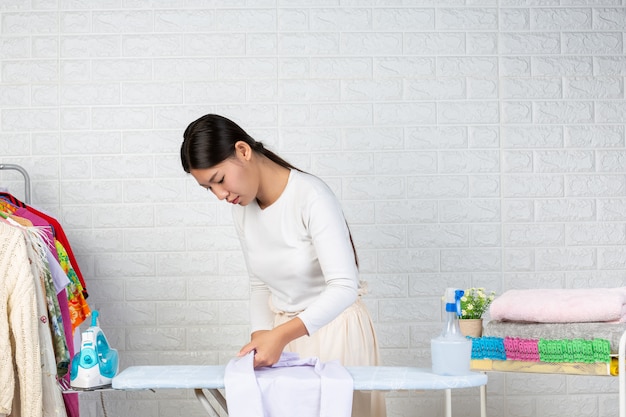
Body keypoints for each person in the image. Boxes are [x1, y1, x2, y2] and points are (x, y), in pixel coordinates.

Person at [180, 114, 386, 417]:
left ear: (243, 151)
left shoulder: (311, 196)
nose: (220, 195)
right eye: (208, 188)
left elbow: (344, 287)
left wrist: (277, 336)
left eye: (219, 180)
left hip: (336, 335)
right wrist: (261, 336)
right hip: (286, 341)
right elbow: (259, 284)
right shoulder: (242, 209)